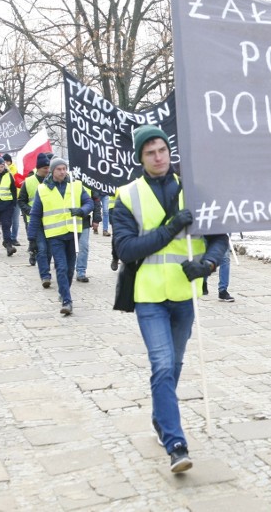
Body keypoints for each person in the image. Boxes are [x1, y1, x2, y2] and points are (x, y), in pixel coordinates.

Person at [113, 125, 228, 474]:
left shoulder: (193, 191)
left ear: (169, 152)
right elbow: (126, 248)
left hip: (184, 295)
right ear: (141, 158)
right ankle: (176, 444)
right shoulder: (127, 196)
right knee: (162, 365)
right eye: (150, 152)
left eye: (162, 150)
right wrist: (170, 227)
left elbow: (219, 238)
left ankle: (160, 417)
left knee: (174, 366)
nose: (158, 157)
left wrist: (207, 263)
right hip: (148, 295)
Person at [27, 157, 92, 315]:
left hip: (73, 233)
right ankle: (67, 301)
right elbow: (35, 215)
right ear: (52, 171)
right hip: (55, 235)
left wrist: (82, 211)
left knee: (70, 270)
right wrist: (31, 238)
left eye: (64, 169)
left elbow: (89, 202)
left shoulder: (76, 185)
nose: (62, 172)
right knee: (61, 268)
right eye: (59, 169)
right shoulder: (43, 189)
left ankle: (63, 292)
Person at [18, 154, 52, 286]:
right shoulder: (29, 182)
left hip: (51, 220)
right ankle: (45, 276)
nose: (47, 170)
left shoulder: (53, 181)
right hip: (34, 220)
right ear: (38, 168)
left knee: (49, 250)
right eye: (45, 168)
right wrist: (29, 211)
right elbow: (21, 201)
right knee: (41, 248)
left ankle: (45, 268)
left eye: (49, 167)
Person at [75, 188, 102, 283]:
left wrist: (96, 219)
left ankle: (81, 271)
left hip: (84, 221)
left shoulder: (89, 181)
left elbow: (96, 201)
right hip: (67, 221)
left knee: (83, 246)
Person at [3, 153, 23, 246]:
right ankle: (7, 237)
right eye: (4, 161)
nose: (6, 163)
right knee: (6, 220)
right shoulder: (1, 171)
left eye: (7, 161)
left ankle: (14, 238)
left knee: (15, 219)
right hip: (5, 198)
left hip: (17, 197)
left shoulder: (16, 170)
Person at [108, 186, 120, 271]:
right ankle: (115, 257)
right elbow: (106, 189)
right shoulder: (113, 174)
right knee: (116, 235)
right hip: (114, 208)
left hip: (131, 206)